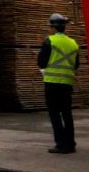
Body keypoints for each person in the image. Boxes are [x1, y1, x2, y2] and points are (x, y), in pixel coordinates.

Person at [37, 13, 79, 154]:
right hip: (67, 83)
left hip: (52, 82)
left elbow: (41, 62)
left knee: (55, 113)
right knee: (67, 113)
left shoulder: (50, 41)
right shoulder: (73, 43)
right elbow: (76, 64)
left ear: (53, 28)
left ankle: (61, 144)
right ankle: (71, 143)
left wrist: (44, 70)